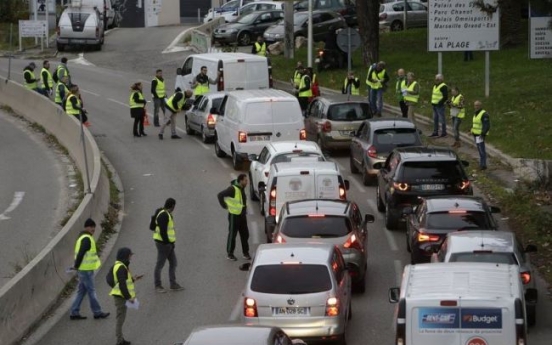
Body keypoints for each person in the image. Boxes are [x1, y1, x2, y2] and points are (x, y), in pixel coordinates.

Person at [69, 218, 110, 320]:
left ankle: (74, 312)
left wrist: (77, 266)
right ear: (87, 227)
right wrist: (76, 265)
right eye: (92, 227)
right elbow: (82, 253)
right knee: (91, 291)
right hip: (86, 271)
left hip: (83, 270)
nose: (93, 229)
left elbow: (81, 253)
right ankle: (97, 312)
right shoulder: (86, 239)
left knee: (81, 291)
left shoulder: (81, 238)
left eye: (94, 228)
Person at [108, 247, 142, 345]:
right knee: (120, 319)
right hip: (121, 298)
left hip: (120, 296)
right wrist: (128, 298)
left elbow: (111, 279)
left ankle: (121, 339)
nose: (131, 257)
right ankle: (119, 341)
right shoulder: (121, 267)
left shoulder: (117, 265)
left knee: (121, 318)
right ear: (126, 256)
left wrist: (133, 279)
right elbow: (122, 284)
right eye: (130, 255)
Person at [152, 198, 184, 292]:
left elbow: (154, 227)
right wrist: (168, 243)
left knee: (173, 263)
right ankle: (158, 285)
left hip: (167, 244)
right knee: (160, 264)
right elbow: (163, 232)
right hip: (163, 244)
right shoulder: (164, 215)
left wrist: (171, 243)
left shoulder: (162, 212)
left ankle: (173, 284)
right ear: (173, 206)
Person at [217, 174, 250, 261]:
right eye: (245, 180)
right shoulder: (232, 189)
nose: (247, 182)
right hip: (234, 215)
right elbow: (220, 195)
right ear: (241, 180)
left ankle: (246, 253)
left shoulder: (241, 188)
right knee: (232, 234)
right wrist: (224, 206)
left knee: (245, 234)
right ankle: (230, 254)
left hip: (242, 215)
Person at [470, 100, 491, 170]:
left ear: (480, 106)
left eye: (477, 105)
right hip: (475, 134)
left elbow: (486, 125)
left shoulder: (484, 114)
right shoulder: (475, 113)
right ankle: (481, 164)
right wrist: (471, 131)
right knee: (479, 149)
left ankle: (483, 165)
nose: (476, 106)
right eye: (475, 105)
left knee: (481, 149)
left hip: (480, 135)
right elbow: (475, 124)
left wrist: (483, 133)